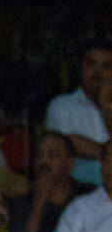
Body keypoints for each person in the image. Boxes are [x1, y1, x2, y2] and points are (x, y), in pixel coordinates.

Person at [7, 132, 87, 232]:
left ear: (69, 164)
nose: (44, 161)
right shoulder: (22, 202)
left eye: (52, 155)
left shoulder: (86, 196)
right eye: (40, 155)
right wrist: (39, 201)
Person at [44, 38, 112, 188]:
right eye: (91, 64)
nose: (98, 72)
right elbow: (64, 146)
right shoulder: (61, 105)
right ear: (81, 68)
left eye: (106, 66)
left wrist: (106, 106)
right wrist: (107, 153)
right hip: (76, 192)